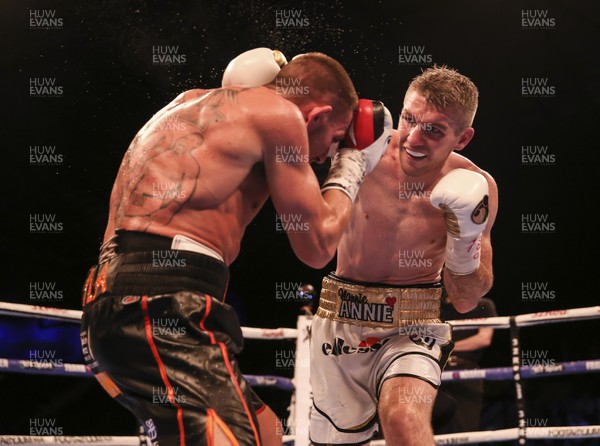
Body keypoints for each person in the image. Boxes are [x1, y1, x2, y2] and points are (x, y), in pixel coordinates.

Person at [79, 48, 392, 446]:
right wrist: (353, 162)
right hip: (162, 304)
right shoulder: (280, 115)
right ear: (316, 115)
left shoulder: (188, 103)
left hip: (111, 305)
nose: (322, 157)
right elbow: (316, 245)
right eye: (331, 140)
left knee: (266, 433)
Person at [309, 65, 499, 445]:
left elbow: (465, 300)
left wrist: (464, 244)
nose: (413, 137)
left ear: (462, 138)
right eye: (410, 119)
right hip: (340, 319)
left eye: (434, 130)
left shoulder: (478, 186)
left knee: (403, 417)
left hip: (414, 327)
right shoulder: (361, 149)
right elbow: (288, 145)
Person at [433, 295, 497, 436]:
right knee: (432, 429)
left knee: (465, 428)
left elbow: (484, 339)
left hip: (466, 372)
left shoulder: (483, 304)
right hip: (434, 370)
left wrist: (448, 347)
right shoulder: (434, 306)